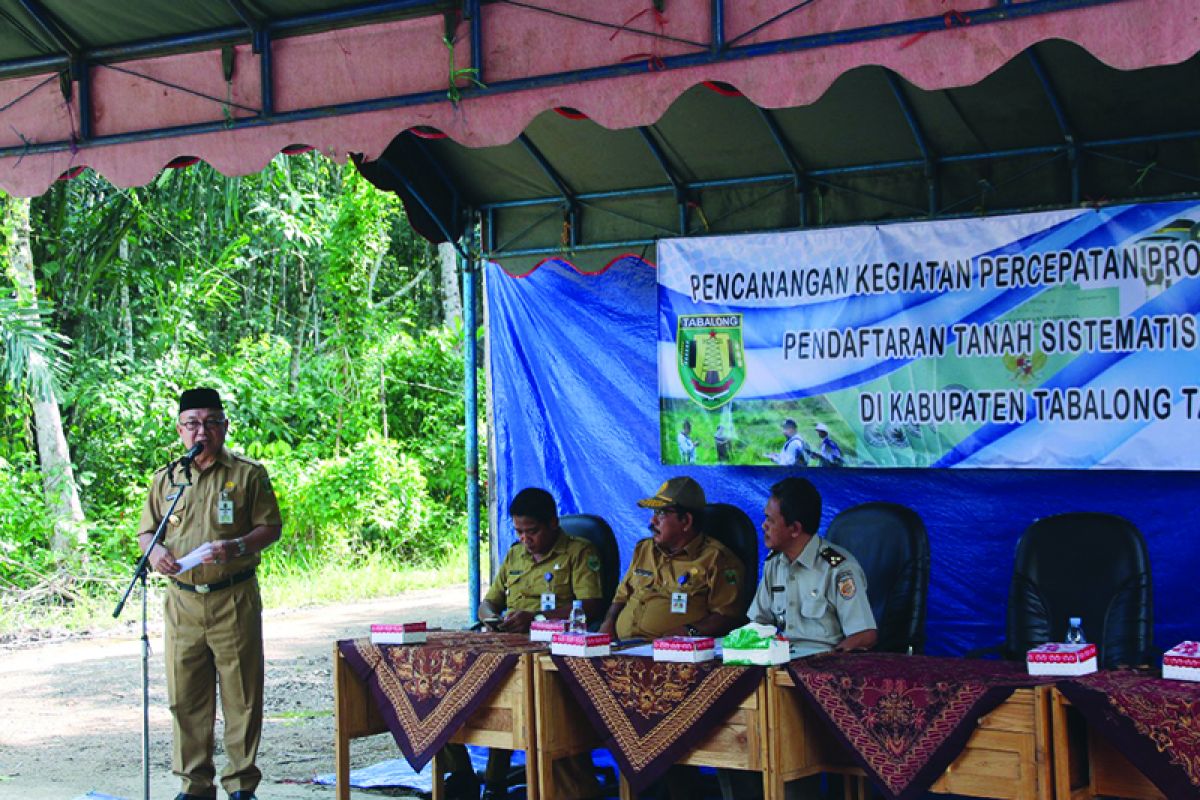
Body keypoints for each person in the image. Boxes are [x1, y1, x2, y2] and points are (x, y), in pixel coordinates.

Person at [138, 387, 282, 800]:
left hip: (232, 597)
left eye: (212, 422)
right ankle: (195, 786)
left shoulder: (247, 474)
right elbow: (147, 531)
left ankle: (240, 785)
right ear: (180, 429)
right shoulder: (166, 479)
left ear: (224, 426)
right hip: (182, 600)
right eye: (193, 423)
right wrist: (156, 552)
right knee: (185, 698)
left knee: (242, 696)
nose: (203, 431)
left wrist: (236, 546)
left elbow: (270, 528)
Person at [443, 487, 604, 800]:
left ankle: (495, 780)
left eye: (532, 531)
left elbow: (591, 606)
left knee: (512, 695)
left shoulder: (579, 552)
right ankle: (460, 774)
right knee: (447, 685)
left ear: (553, 524)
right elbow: (488, 603)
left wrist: (536, 617)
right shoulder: (515, 554)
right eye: (519, 531)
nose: (525, 539)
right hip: (507, 642)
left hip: (551, 647)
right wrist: (492, 618)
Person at [599, 476, 745, 641]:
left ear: (686, 521)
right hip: (622, 647)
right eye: (654, 512)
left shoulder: (717, 559)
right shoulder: (644, 549)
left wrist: (690, 630)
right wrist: (609, 622)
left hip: (675, 655)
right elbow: (622, 596)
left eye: (661, 513)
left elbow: (728, 616)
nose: (652, 520)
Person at [748, 476, 876, 656]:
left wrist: (833, 658)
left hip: (822, 668)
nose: (763, 525)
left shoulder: (839, 569)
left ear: (795, 529)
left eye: (771, 520)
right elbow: (758, 623)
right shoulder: (774, 563)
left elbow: (865, 635)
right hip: (779, 663)